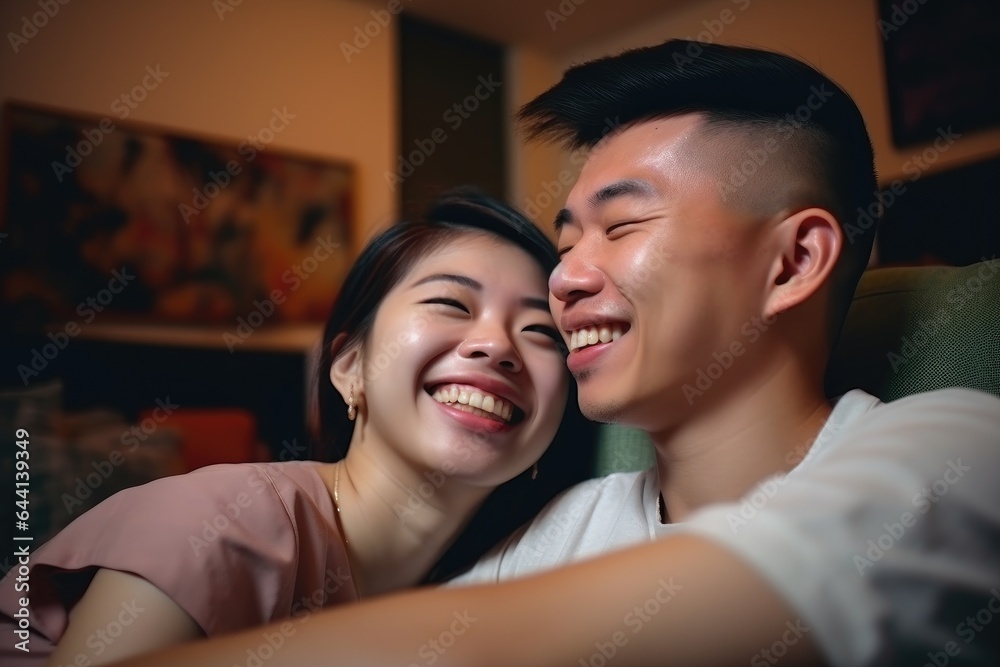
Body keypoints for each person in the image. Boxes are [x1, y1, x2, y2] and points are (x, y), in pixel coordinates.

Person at [106, 40, 1000, 667]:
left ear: (794, 259)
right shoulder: (565, 526)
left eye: (623, 224)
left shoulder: (958, 448)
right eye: (569, 237)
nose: (565, 277)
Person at [0, 189, 595, 666]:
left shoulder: (502, 575)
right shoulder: (225, 522)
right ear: (350, 369)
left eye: (541, 332)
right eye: (451, 304)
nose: (497, 346)